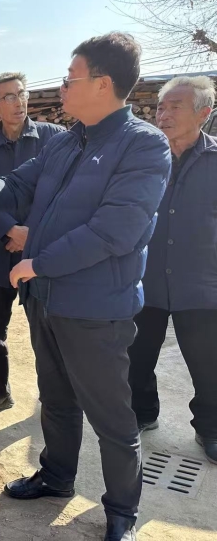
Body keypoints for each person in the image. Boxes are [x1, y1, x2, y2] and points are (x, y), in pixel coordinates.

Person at [0, 32, 171, 541]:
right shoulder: (66, 140)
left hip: (96, 308)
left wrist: (38, 264)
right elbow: (17, 183)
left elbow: (113, 232)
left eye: (70, 78)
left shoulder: (144, 146)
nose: (61, 87)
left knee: (111, 415)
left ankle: (121, 512)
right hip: (47, 301)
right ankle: (57, 476)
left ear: (103, 83)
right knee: (56, 398)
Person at [0, 73, 65, 418]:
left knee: (49, 330)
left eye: (21, 94)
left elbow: (64, 194)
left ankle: (55, 398)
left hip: (43, 254)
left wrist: (30, 234)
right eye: (8, 96)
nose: (18, 101)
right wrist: (9, 231)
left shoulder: (55, 139)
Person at [129, 75, 217, 465]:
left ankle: (211, 429)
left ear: (203, 112)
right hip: (144, 278)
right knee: (136, 356)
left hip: (202, 282)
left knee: (208, 363)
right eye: (160, 107)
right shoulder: (143, 159)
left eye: (174, 106)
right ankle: (142, 413)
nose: (163, 114)